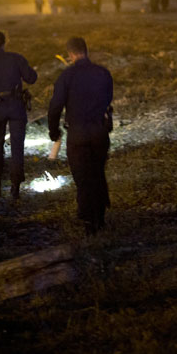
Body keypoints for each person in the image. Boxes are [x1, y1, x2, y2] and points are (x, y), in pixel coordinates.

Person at [48, 37, 113, 235]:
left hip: (77, 134)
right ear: (86, 50)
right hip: (99, 132)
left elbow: (55, 106)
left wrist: (53, 130)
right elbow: (108, 99)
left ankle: (88, 222)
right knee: (97, 173)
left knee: (83, 178)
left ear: (70, 54)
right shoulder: (103, 73)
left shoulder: (67, 76)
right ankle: (100, 217)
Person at [0, 30, 38, 198]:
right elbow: (32, 78)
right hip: (16, 105)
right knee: (17, 147)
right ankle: (15, 187)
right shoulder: (16, 59)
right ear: (5, 42)